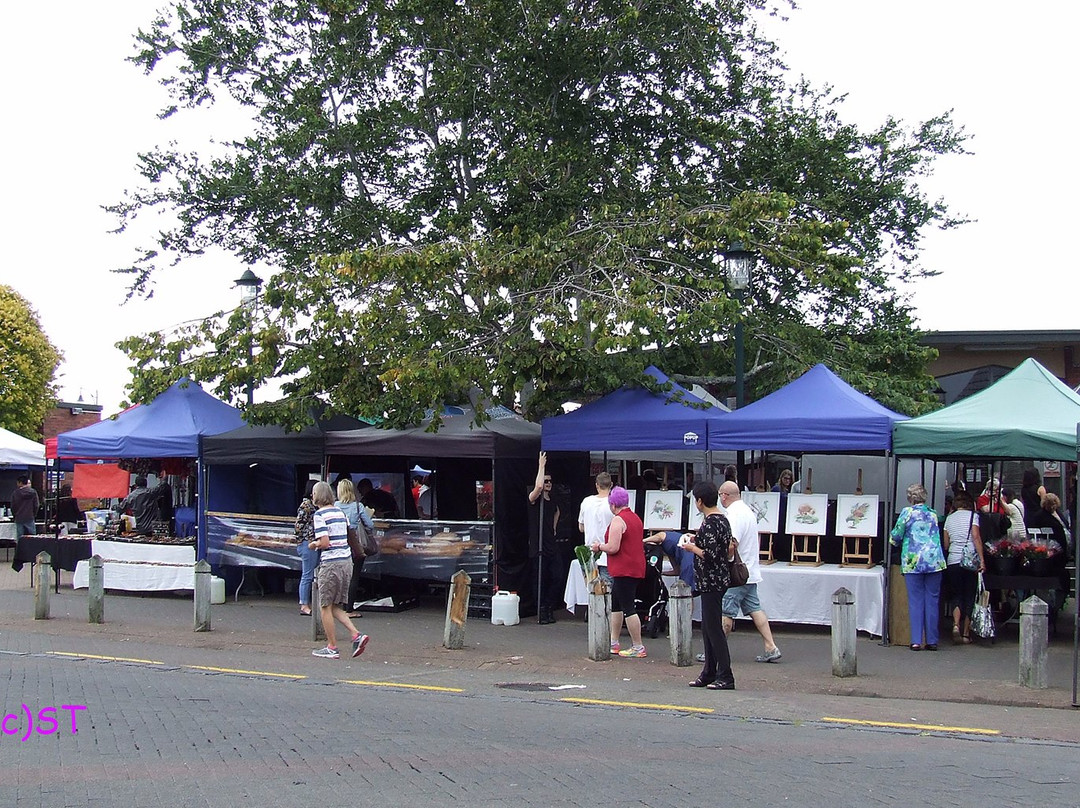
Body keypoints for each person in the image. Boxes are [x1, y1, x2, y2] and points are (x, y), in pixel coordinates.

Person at [718, 482, 781, 663]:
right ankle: (771, 646)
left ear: (724, 496)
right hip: (750, 570)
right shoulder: (747, 511)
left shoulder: (734, 515)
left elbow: (732, 543)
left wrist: (724, 561)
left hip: (737, 572)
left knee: (725, 612)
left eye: (720, 494)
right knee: (755, 609)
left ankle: (716, 652)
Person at [682, 480, 736, 690]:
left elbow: (712, 554)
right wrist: (699, 539)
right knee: (707, 627)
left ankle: (725, 674)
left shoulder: (711, 522)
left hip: (711, 580)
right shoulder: (722, 520)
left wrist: (692, 548)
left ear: (700, 501)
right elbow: (723, 545)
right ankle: (709, 672)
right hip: (716, 580)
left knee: (713, 629)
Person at [307, 482, 369, 660]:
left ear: (318, 495)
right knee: (335, 606)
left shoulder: (320, 515)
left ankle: (332, 647)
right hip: (346, 562)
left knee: (324, 606)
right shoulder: (340, 512)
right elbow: (349, 534)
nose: (312, 496)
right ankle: (356, 635)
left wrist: (314, 544)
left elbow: (325, 542)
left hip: (331, 563)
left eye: (313, 493)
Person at [590, 486, 647, 658]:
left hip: (625, 569)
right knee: (616, 604)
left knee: (628, 606)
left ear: (613, 505)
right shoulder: (635, 517)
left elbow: (613, 548)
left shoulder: (618, 520)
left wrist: (598, 546)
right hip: (634, 566)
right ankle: (613, 641)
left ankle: (638, 646)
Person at [889, 483, 947, 651]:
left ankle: (915, 640)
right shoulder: (933, 514)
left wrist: (894, 541)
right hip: (934, 561)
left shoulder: (907, 513)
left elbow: (896, 535)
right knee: (932, 600)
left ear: (910, 498)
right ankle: (932, 640)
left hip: (913, 561)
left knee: (915, 601)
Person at [941, 490, 985, 645]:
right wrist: (982, 560)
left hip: (953, 560)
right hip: (969, 562)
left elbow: (946, 544)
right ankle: (966, 634)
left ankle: (955, 625)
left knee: (956, 595)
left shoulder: (949, 519)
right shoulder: (974, 517)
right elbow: (976, 537)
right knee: (969, 595)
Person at [527, 452, 562, 625]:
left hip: (550, 543)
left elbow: (557, 511)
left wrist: (554, 528)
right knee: (539, 578)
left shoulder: (552, 499)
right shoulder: (534, 499)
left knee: (557, 576)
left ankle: (549, 606)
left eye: (550, 481)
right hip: (538, 544)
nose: (547, 484)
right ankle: (541, 609)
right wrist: (541, 466)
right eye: (546, 481)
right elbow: (538, 487)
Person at [336, 478, 376, 616]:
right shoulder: (357, 506)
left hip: (339, 545)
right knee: (353, 577)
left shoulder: (335, 506)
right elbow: (370, 525)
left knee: (341, 576)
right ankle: (349, 609)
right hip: (355, 545)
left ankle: (339, 606)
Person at [578, 471, 614, 584]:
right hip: (607, 554)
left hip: (588, 554)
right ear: (611, 485)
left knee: (591, 591)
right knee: (607, 592)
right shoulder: (613, 504)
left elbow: (581, 528)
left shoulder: (586, 501)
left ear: (596, 485)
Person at [295, 480, 319, 616]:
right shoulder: (306, 506)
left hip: (309, 542)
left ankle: (306, 603)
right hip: (307, 543)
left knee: (309, 573)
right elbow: (298, 526)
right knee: (307, 574)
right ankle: (304, 604)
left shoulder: (311, 505)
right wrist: (305, 539)